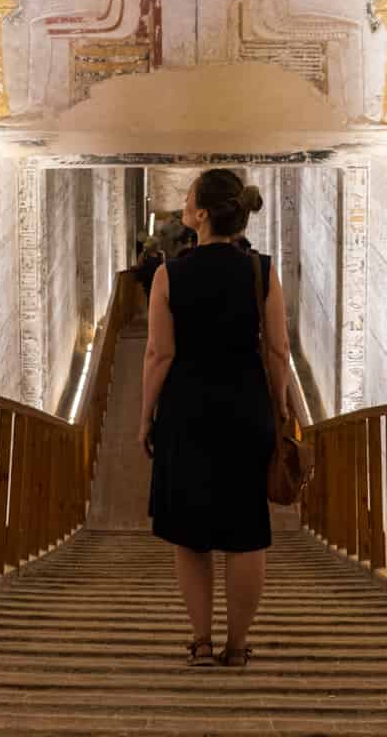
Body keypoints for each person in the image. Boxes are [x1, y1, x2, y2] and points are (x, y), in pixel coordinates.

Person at [139, 170, 293, 669]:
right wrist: (284, 404)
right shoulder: (261, 271)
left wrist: (146, 417)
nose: (184, 204)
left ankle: (201, 641)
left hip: (187, 410)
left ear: (202, 215)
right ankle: (237, 645)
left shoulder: (169, 275)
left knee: (191, 531)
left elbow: (159, 354)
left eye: (188, 199)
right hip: (247, 406)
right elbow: (277, 349)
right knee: (247, 530)